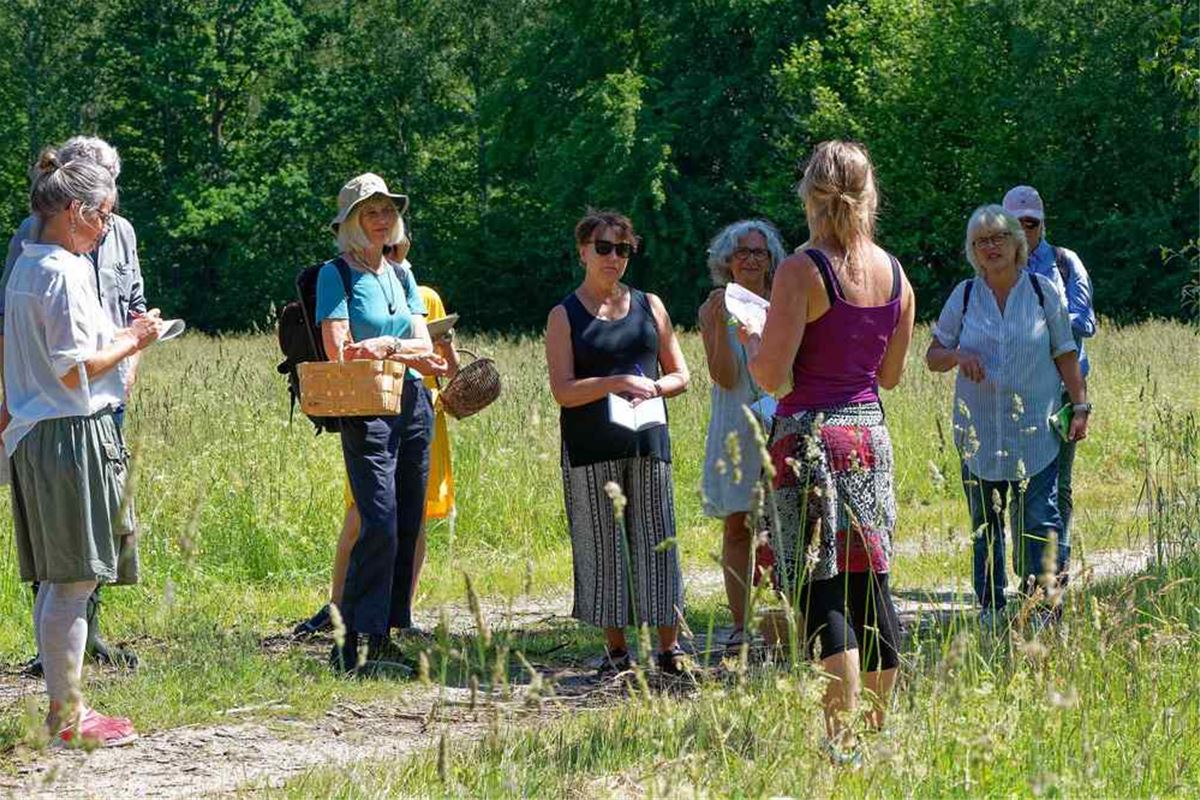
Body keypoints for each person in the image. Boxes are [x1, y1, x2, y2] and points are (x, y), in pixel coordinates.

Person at [740, 141, 915, 763]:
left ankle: (840, 744)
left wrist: (758, 336)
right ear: (870, 197)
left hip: (810, 438)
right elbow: (890, 376)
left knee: (823, 592)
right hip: (870, 434)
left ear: (810, 197)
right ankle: (876, 732)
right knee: (873, 589)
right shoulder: (897, 274)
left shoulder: (800, 271)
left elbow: (770, 377)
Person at [4, 148, 162, 745]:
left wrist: (120, 336)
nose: (107, 229)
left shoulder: (26, 265)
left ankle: (64, 710)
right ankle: (68, 717)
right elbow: (76, 370)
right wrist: (138, 338)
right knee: (72, 581)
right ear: (76, 211)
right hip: (73, 433)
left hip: (39, 433)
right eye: (104, 216)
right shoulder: (63, 272)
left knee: (57, 580)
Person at [926, 204, 1090, 629]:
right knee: (985, 525)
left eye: (998, 237)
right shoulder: (963, 296)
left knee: (1040, 521)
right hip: (978, 432)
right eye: (981, 241)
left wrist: (1081, 405)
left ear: (1017, 242)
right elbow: (933, 355)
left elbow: (1065, 352)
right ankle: (991, 609)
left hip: (1036, 429)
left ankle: (1042, 610)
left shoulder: (1041, 291)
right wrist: (959, 355)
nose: (990, 247)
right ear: (973, 251)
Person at [545, 209, 690, 675]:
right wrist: (614, 382)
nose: (613, 258)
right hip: (590, 447)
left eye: (623, 249)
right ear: (583, 251)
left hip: (648, 440)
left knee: (658, 540)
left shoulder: (652, 305)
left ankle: (669, 651)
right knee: (602, 547)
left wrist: (653, 386)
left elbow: (681, 374)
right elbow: (563, 391)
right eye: (604, 248)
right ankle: (617, 651)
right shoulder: (564, 315)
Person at [315, 173, 447, 673]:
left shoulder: (401, 272)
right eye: (370, 212)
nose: (381, 220)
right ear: (350, 221)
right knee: (380, 520)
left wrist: (389, 346)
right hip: (367, 404)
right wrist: (402, 349)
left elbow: (425, 345)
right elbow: (340, 349)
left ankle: (384, 633)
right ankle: (352, 644)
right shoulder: (337, 275)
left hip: (413, 401)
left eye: (387, 211)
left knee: (409, 519)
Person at [294, 283, 459, 638]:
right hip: (374, 410)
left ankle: (402, 612)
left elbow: (449, 368)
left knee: (415, 517)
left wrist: (443, 344)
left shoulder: (426, 297)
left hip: (421, 412)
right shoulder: (357, 291)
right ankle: (338, 606)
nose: (393, 255)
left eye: (398, 247)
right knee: (363, 511)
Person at [697, 219, 787, 648]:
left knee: (788, 523)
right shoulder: (715, 307)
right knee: (738, 525)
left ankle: (786, 619)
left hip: (784, 421)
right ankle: (740, 625)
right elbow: (724, 374)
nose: (751, 260)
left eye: (759, 252)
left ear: (771, 260)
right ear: (727, 261)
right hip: (737, 426)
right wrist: (716, 328)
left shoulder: (787, 304)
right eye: (742, 253)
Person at [1003, 185, 1097, 573]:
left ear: (1042, 224)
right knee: (1017, 487)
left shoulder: (1064, 262)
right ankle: (1026, 570)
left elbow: (1085, 322)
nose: (1024, 230)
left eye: (1031, 222)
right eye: (1016, 223)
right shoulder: (996, 266)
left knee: (1058, 485)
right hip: (1013, 394)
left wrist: (1043, 317)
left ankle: (1055, 570)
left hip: (1061, 393)